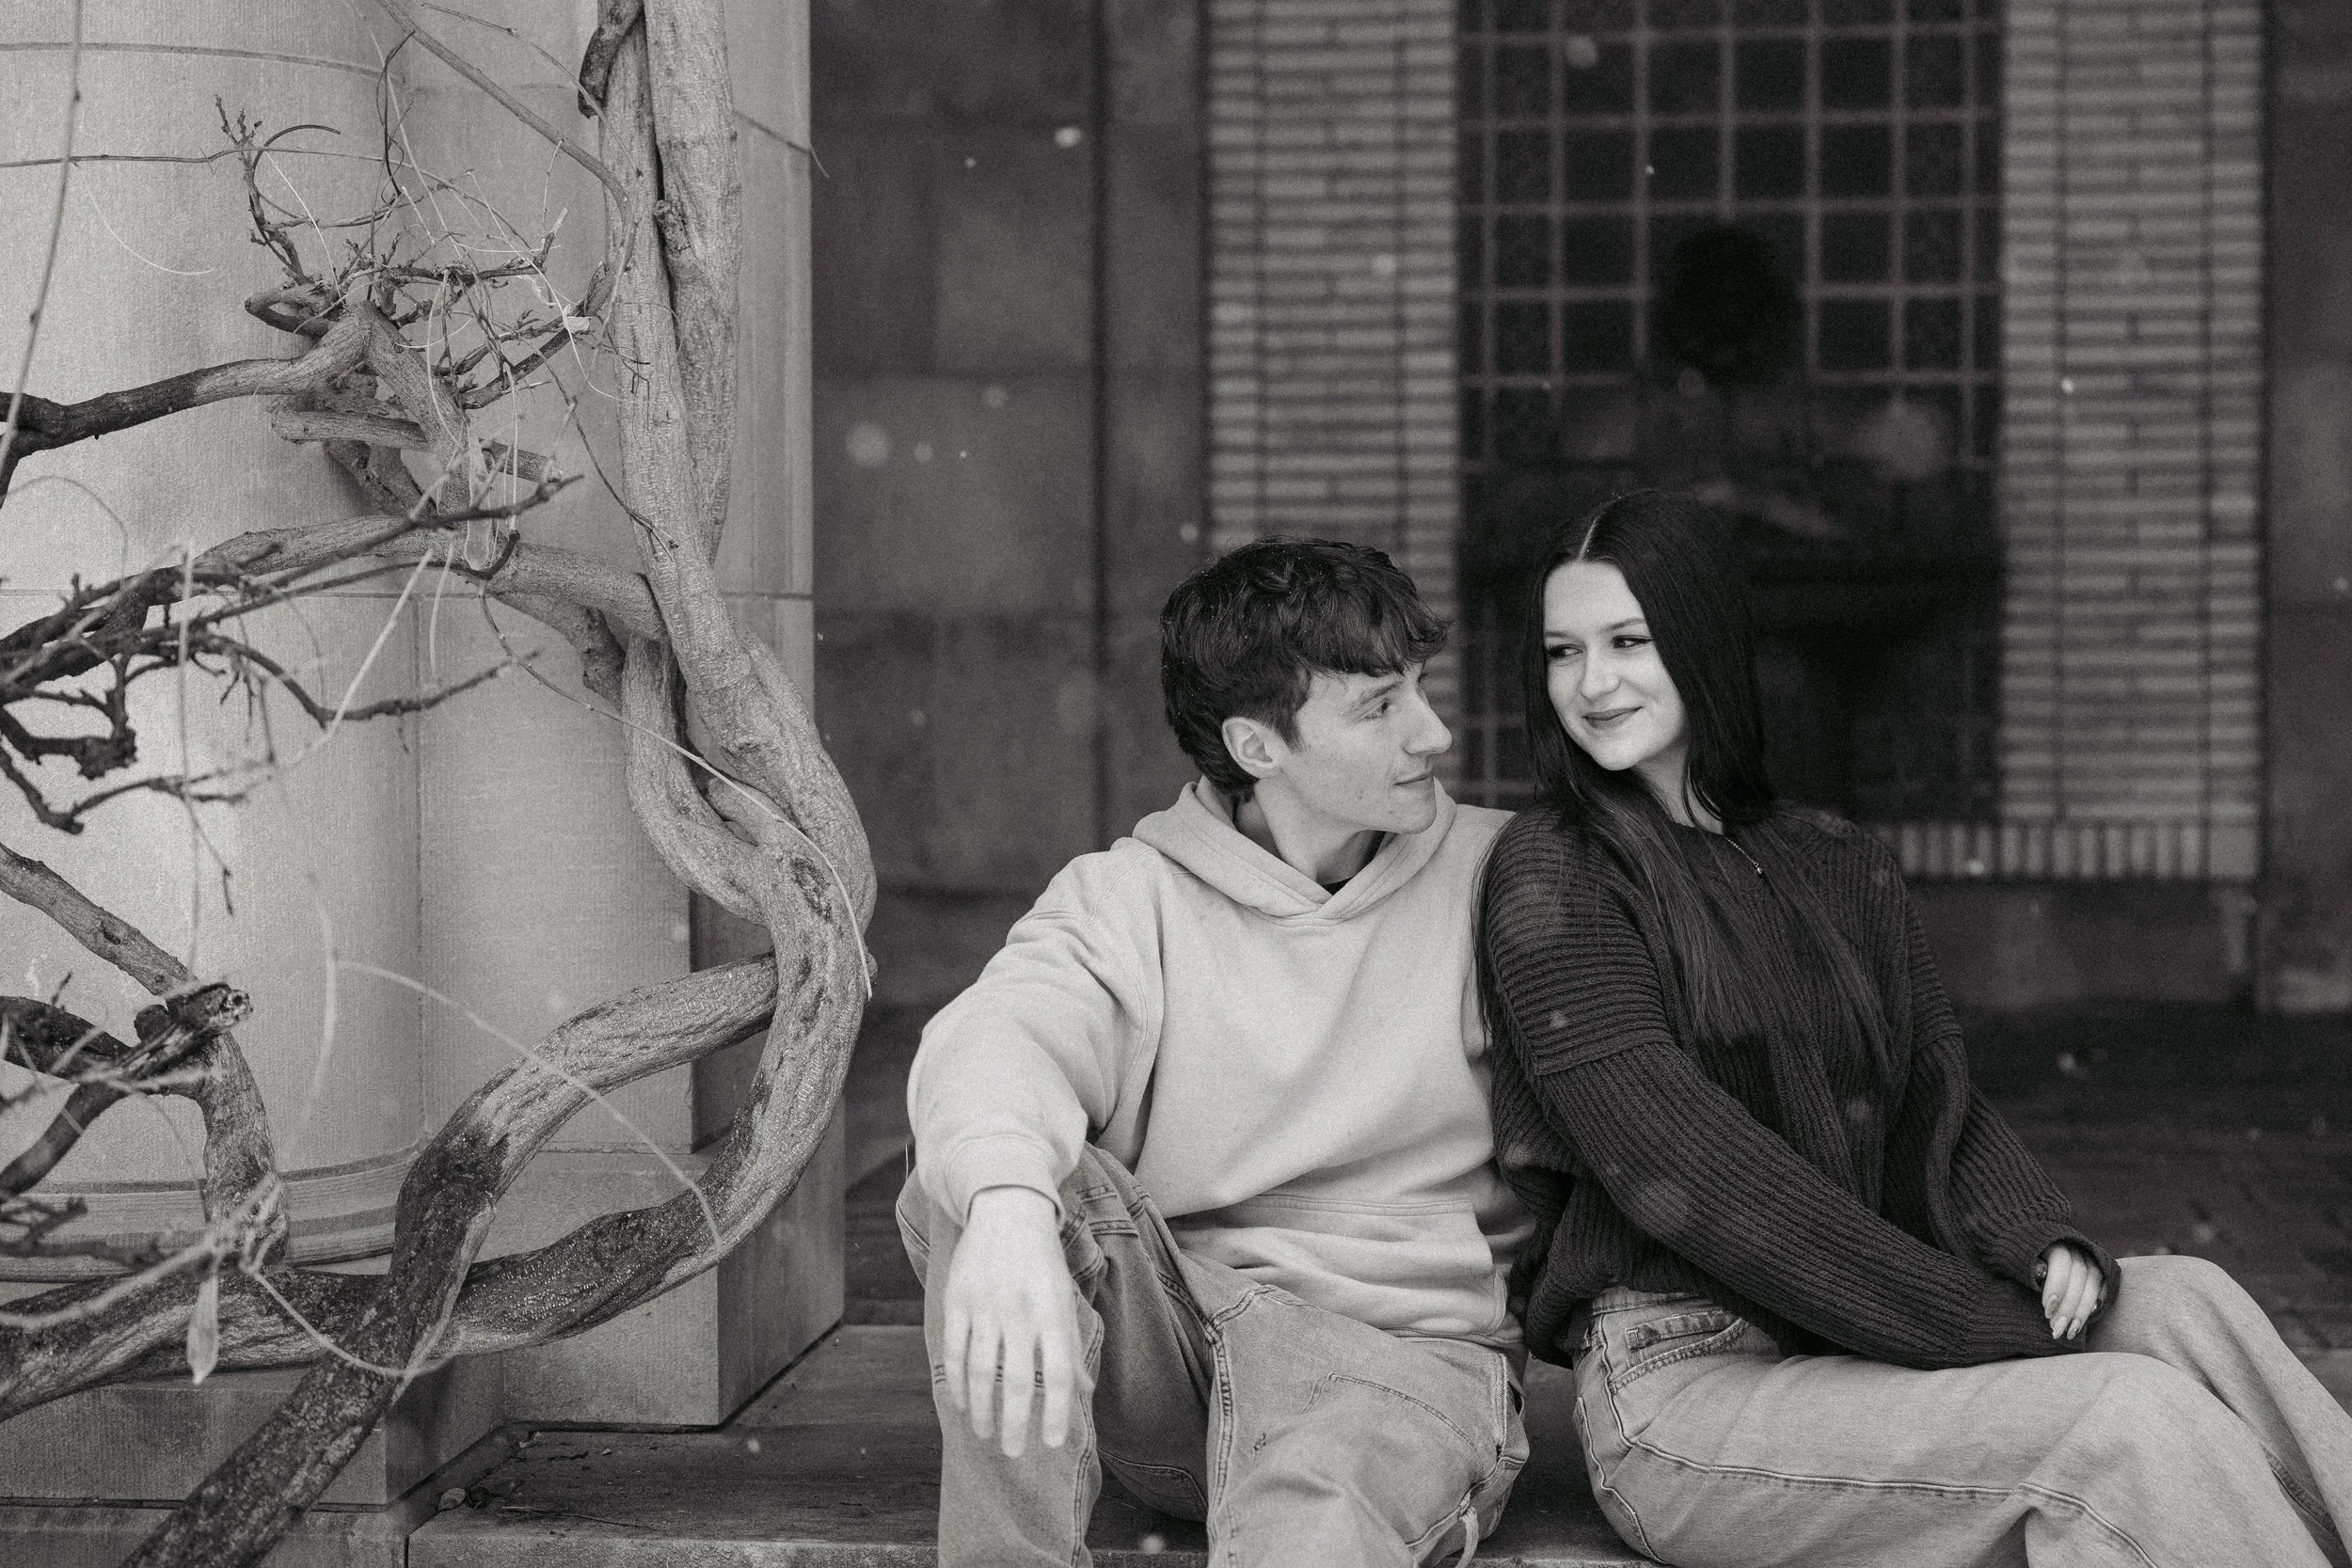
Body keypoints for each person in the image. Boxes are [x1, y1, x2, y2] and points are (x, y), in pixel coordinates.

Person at [1477, 489, 2352, 1568]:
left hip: (1842, 1332)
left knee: (2186, 1302)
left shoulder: (1834, 857)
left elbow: (1930, 1090)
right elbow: (1697, 1176)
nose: (1591, 683)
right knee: (2122, 1416)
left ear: (1700, 639)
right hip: (1682, 1388)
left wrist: (2027, 1232)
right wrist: (1974, 1323)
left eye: (1627, 641)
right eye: (1562, 652)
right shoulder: (1555, 872)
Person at [900, 537, 1533, 1566]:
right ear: (1257, 745)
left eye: (1421, 687)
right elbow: (1000, 1029)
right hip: (1184, 1371)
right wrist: (1008, 1206)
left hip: (1399, 1367)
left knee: (1308, 1521)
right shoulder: (1130, 895)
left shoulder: (1503, 875)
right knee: (981, 1178)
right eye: (1380, 706)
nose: (1433, 731)